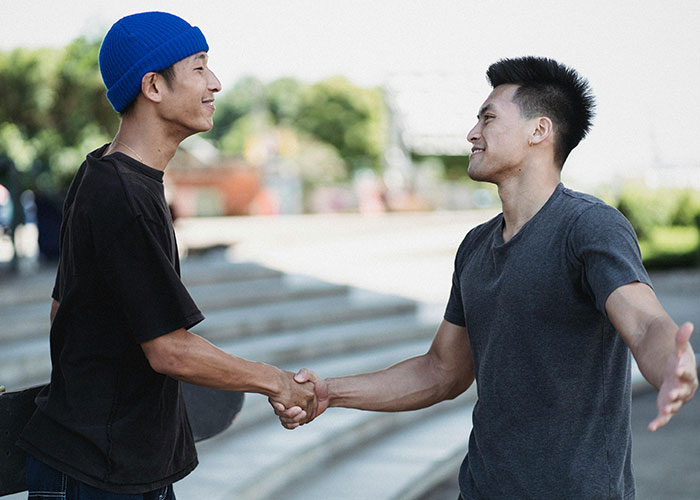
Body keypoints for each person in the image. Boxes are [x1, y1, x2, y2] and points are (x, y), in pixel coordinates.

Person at [275, 56, 698, 499]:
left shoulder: (589, 226)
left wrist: (670, 362)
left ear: (539, 130)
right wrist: (330, 392)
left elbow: (643, 321)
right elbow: (441, 371)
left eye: (488, 118)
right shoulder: (475, 247)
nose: (472, 133)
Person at [17, 11, 316, 499]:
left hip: (119, 464)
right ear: (153, 86)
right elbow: (169, 349)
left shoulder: (105, 173)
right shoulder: (122, 194)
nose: (215, 83)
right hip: (95, 472)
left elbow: (62, 311)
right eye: (199, 67)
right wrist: (277, 382)